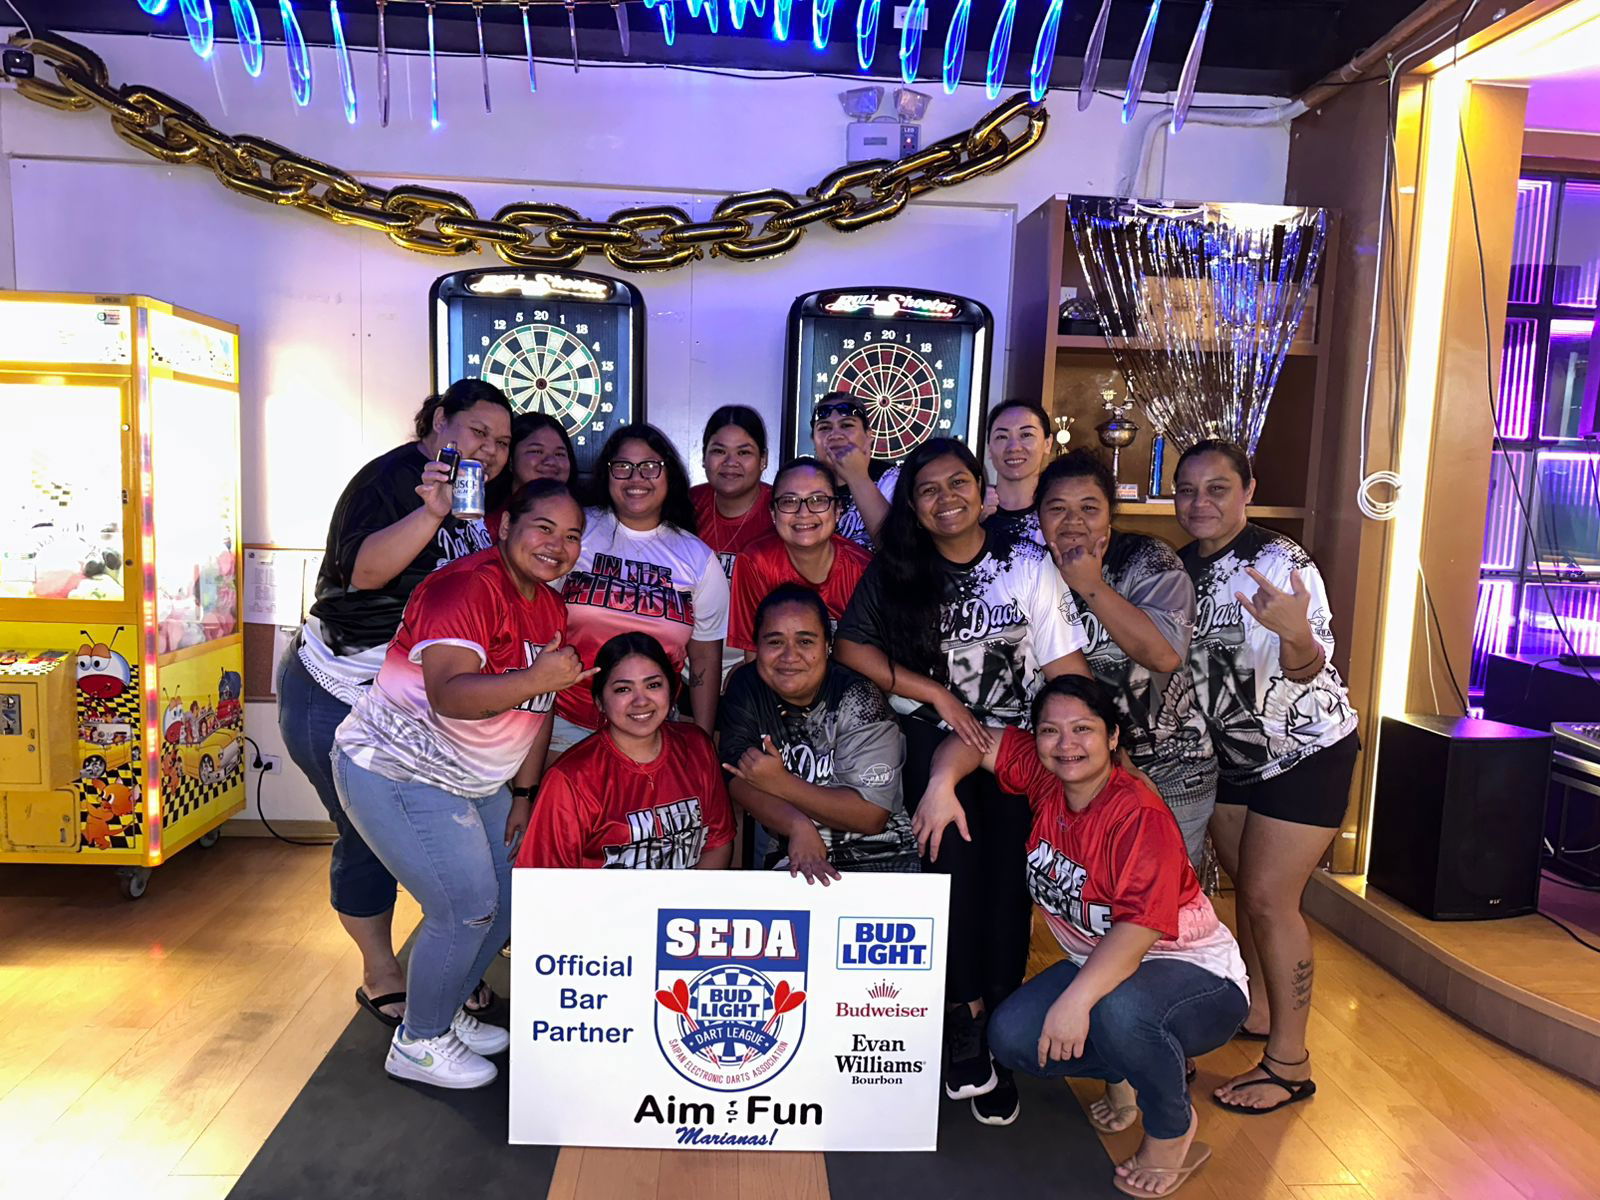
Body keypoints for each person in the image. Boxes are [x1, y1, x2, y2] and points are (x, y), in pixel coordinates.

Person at [835, 436, 1092, 1125]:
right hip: (931, 740)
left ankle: (996, 1028)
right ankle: (960, 1017)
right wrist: (937, 695)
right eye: (927, 490)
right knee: (949, 874)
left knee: (1009, 887)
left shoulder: (1026, 562)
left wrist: (1090, 751)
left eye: (958, 485)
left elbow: (1064, 663)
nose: (944, 499)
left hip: (1015, 744)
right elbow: (851, 646)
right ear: (912, 506)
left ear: (982, 492)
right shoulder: (899, 568)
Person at [912, 675, 1246, 1198]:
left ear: (1113, 737)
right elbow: (970, 741)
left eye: (1083, 730)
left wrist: (1076, 1001)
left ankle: (1171, 1129)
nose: (1066, 745)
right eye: (1050, 731)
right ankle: (1127, 1067)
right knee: (1012, 1037)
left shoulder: (1136, 814)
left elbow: (1138, 930)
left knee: (1117, 1013)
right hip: (1105, 964)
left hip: (1196, 974)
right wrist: (940, 786)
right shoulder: (1050, 781)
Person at [331, 480, 592, 1089]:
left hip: (475, 780)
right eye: (544, 527)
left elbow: (539, 705)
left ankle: (441, 1013)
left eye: (572, 534)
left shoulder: (548, 605)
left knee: (509, 891)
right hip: (399, 771)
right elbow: (450, 696)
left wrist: (524, 795)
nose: (558, 544)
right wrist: (536, 676)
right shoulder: (465, 587)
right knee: (466, 907)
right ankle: (419, 1041)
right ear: (504, 527)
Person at [278, 378, 512, 1030]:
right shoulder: (394, 480)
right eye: (478, 433)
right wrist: (431, 511)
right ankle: (382, 970)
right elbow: (367, 573)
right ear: (439, 420)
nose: (490, 450)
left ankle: (448, 968)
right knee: (368, 836)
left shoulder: (479, 495)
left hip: (415, 704)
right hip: (340, 693)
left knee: (456, 838)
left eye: (502, 441)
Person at [1172, 439, 1359, 1117]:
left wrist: (1296, 635)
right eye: (1187, 489)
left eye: (1217, 488)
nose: (1200, 503)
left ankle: (1291, 1062)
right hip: (1231, 759)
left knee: (1268, 899)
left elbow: (1313, 667)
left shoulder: (1280, 562)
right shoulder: (1179, 569)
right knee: (1245, 898)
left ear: (1248, 490)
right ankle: (1254, 1012)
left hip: (1306, 752)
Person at [1035, 451, 1216, 865]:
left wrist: (1090, 585)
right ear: (1039, 515)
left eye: (1089, 508)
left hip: (1168, 769)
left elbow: (1164, 655)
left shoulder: (1147, 559)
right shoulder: (1032, 568)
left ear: (1109, 515)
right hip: (1074, 766)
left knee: (1163, 909)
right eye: (1057, 509)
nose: (1073, 521)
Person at [720, 584, 919, 879]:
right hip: (795, 851)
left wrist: (780, 783)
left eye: (805, 641)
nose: (790, 656)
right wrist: (796, 825)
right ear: (756, 646)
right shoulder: (747, 687)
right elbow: (736, 777)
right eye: (775, 642)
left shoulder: (859, 697)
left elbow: (871, 817)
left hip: (882, 855)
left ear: (827, 645)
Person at [554, 424, 729, 742]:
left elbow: (704, 659)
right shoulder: (576, 528)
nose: (636, 478)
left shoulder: (698, 558)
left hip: (652, 728)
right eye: (623, 467)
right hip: (566, 723)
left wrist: (701, 741)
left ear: (669, 475)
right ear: (607, 474)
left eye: (650, 467)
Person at [518, 632, 735, 869]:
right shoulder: (570, 780)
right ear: (600, 701)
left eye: (653, 685)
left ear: (671, 691)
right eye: (623, 689)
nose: (641, 701)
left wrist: (689, 906)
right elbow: (545, 882)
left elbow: (717, 842)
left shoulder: (697, 747)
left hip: (684, 904)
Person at [726, 458, 871, 657]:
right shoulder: (755, 562)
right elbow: (755, 657)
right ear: (773, 513)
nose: (804, 513)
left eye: (818, 500)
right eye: (789, 501)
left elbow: (870, 656)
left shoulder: (863, 569)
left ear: (838, 510)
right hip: (780, 675)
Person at [689, 405, 774, 580]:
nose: (730, 462)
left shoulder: (783, 510)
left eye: (743, 452)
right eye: (719, 451)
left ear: (763, 460)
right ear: (704, 457)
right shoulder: (686, 505)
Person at [809, 392, 893, 549]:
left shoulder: (892, 480)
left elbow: (898, 553)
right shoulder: (801, 485)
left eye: (846, 425)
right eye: (825, 427)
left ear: (868, 435)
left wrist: (858, 477)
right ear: (813, 440)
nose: (834, 435)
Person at [982, 398, 1054, 543]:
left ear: (1047, 443)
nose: (1014, 447)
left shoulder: (1058, 512)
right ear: (989, 448)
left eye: (1026, 435)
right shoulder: (974, 511)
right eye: (1002, 437)